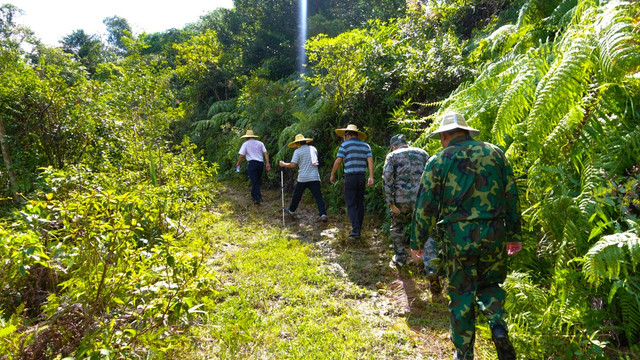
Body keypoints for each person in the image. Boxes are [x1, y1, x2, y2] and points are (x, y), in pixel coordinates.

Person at [410, 112, 522, 360]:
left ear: (447, 135)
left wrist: (417, 242)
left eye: (441, 137)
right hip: (494, 232)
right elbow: (511, 195)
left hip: (458, 236)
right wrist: (514, 234)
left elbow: (425, 205)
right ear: (467, 132)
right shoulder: (495, 153)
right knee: (490, 285)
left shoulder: (438, 161)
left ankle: (464, 353)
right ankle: (498, 326)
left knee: (461, 294)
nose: (441, 141)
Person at [382, 134, 431, 269]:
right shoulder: (423, 153)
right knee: (423, 228)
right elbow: (431, 175)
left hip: (400, 201)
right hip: (420, 199)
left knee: (397, 228)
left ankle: (400, 259)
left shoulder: (392, 156)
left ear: (394, 146)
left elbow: (387, 179)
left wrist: (390, 202)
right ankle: (427, 261)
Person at [330, 124, 374, 239]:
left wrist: (332, 174)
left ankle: (355, 230)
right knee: (359, 203)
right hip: (361, 177)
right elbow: (370, 161)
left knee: (350, 203)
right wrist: (371, 176)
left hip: (350, 177)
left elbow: (338, 161)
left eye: (345, 135)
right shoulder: (366, 146)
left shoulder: (345, 145)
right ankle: (358, 227)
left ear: (348, 135)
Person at [279, 134, 328, 222]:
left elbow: (293, 165)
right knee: (318, 196)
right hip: (314, 177)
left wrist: (283, 164)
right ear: (305, 141)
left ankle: (291, 210)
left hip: (303, 178)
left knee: (297, 195)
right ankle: (323, 214)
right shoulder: (313, 149)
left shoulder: (297, 152)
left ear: (297, 143)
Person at [236, 129, 271, 204]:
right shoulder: (260, 143)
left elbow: (242, 155)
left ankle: (258, 198)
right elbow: (266, 153)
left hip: (252, 163)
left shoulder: (245, 144)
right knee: (256, 180)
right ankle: (254, 195)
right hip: (260, 163)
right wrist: (267, 163)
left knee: (254, 181)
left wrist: (238, 163)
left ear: (247, 137)